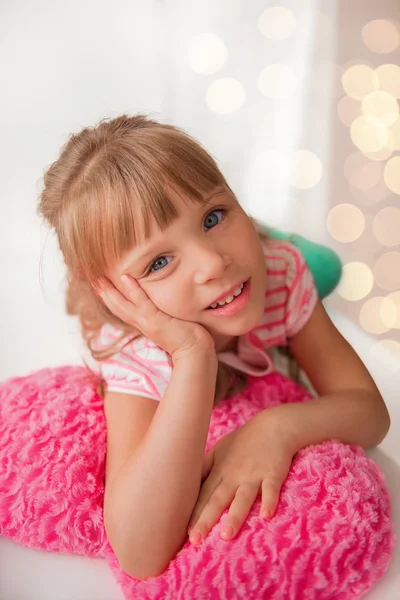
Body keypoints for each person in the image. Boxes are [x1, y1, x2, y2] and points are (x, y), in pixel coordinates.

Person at [37, 113, 390, 581]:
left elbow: (371, 414)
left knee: (315, 266)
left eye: (213, 217)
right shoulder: (133, 345)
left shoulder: (280, 272)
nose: (211, 262)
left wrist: (275, 428)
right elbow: (140, 554)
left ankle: (275, 237)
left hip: (262, 261)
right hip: (168, 314)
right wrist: (191, 356)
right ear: (122, 293)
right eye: (159, 262)